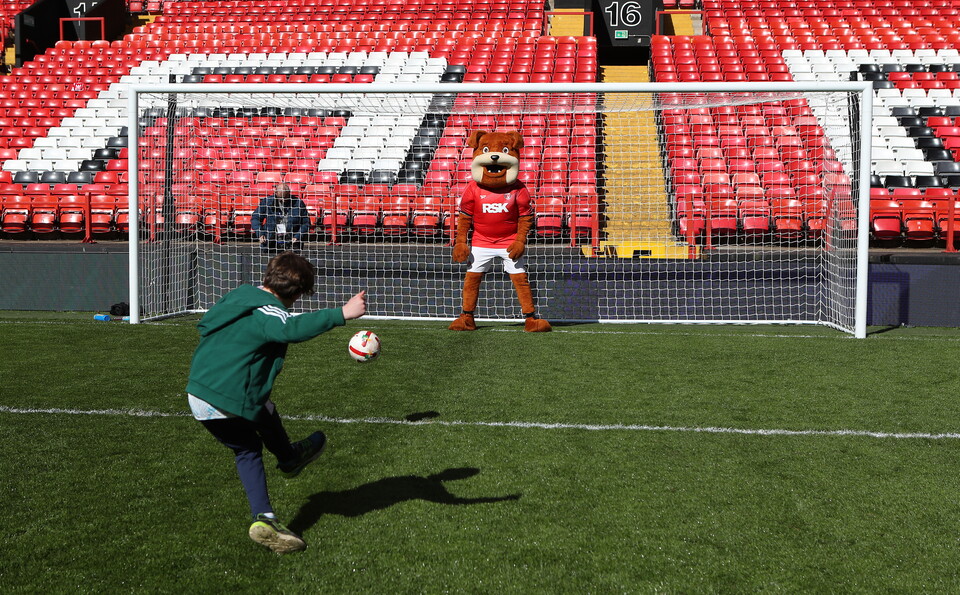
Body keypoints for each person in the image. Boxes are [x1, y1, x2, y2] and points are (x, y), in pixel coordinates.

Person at [185, 251, 367, 554]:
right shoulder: (268, 311)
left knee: (264, 410)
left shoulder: (240, 295)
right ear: (297, 293)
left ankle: (289, 457)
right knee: (248, 449)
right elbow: (288, 327)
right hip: (226, 395)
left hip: (198, 392)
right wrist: (342, 314)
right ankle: (266, 516)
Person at [251, 183, 311, 250]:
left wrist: (298, 236)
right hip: (270, 241)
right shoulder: (267, 202)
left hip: (292, 242)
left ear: (289, 193)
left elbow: (306, 223)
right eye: (281, 198)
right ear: (276, 193)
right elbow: (255, 218)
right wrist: (260, 233)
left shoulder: (298, 203)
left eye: (285, 198)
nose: (283, 200)